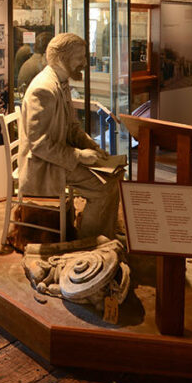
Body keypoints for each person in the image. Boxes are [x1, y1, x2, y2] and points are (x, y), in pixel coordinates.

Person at [18, 32, 121, 241]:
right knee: (104, 187)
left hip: (57, 159)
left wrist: (90, 145)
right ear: (63, 58)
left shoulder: (61, 83)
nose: (84, 63)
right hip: (44, 165)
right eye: (80, 57)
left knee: (114, 176)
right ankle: (90, 244)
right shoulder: (43, 89)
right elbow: (39, 145)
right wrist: (80, 156)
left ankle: (101, 234)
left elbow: (72, 128)